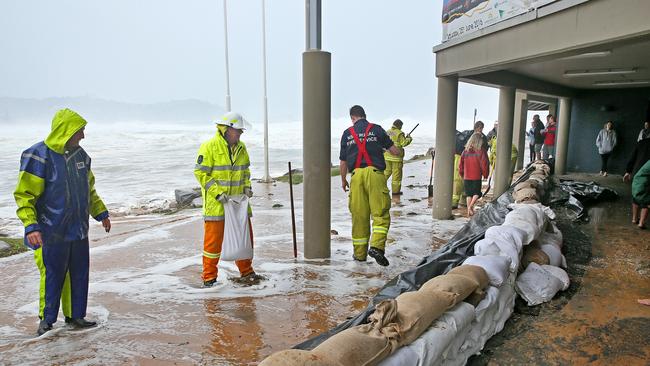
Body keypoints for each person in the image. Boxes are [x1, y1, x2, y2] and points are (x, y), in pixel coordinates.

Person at [14, 108, 111, 336]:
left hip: (77, 230)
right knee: (52, 275)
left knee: (79, 273)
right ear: (66, 131)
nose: (83, 136)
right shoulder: (38, 156)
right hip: (50, 232)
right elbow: (24, 195)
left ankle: (76, 316)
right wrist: (31, 226)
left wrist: (101, 213)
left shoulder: (81, 157)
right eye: (80, 131)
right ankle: (46, 321)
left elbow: (90, 191)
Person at [194, 112, 264, 287]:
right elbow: (200, 173)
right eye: (238, 131)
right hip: (218, 205)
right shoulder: (209, 146)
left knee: (245, 238)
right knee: (213, 243)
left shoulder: (242, 148)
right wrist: (217, 193)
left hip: (239, 204)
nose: (241, 134)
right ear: (227, 129)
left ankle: (247, 272)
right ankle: (209, 278)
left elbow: (245, 171)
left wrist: (247, 187)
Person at [339, 105, 400, 266]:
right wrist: (384, 149)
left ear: (352, 118)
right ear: (364, 116)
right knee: (380, 214)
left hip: (356, 176)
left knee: (359, 216)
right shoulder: (377, 129)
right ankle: (377, 247)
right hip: (375, 175)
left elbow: (343, 161)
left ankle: (359, 256)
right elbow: (395, 151)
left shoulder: (347, 134)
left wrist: (343, 180)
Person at [459, 133, 489, 217]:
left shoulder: (465, 151)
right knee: (477, 193)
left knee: (469, 194)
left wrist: (461, 173)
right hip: (476, 176)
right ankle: (470, 207)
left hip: (466, 176)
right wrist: (485, 174)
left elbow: (460, 164)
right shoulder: (481, 151)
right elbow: (484, 164)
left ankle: (469, 210)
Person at [624, 138, 650, 227]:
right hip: (647, 176)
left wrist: (628, 171)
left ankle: (634, 219)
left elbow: (632, 157)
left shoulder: (642, 142)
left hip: (637, 172)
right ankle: (641, 223)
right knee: (647, 200)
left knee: (636, 197)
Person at [383, 119, 413, 196]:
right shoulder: (399, 133)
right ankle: (395, 192)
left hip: (387, 157)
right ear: (399, 125)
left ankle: (379, 187)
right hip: (396, 158)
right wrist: (409, 138)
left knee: (386, 173)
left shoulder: (388, 131)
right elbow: (403, 143)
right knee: (396, 176)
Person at [631, 160, 650, 229]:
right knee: (647, 202)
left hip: (636, 181)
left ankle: (634, 219)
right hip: (643, 183)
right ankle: (641, 223)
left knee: (635, 199)